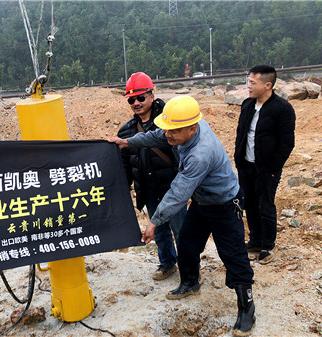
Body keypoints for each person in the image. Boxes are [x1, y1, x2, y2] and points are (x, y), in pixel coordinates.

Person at [109, 96, 256, 336]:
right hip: (202, 202)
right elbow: (158, 136)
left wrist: (154, 222)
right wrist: (129, 142)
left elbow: (178, 192)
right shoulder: (181, 128)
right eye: (168, 129)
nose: (168, 135)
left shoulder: (201, 154)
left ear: (192, 128)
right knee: (187, 243)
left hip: (224, 204)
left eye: (174, 132)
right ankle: (190, 282)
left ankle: (246, 306)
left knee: (233, 254)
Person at [117, 72, 186, 281]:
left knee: (181, 230)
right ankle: (167, 264)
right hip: (148, 187)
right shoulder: (126, 130)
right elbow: (125, 164)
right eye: (131, 100)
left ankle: (190, 268)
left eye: (140, 97)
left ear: (152, 95)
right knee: (159, 230)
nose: (136, 103)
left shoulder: (170, 120)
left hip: (172, 186)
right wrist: (124, 187)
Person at [234, 65, 296, 265]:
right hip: (246, 166)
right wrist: (239, 160)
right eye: (248, 81)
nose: (248, 86)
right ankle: (255, 240)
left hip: (266, 169)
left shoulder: (282, 108)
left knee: (265, 206)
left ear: (268, 85)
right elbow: (241, 134)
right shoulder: (247, 105)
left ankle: (268, 245)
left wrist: (272, 168)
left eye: (253, 82)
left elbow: (287, 143)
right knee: (249, 204)